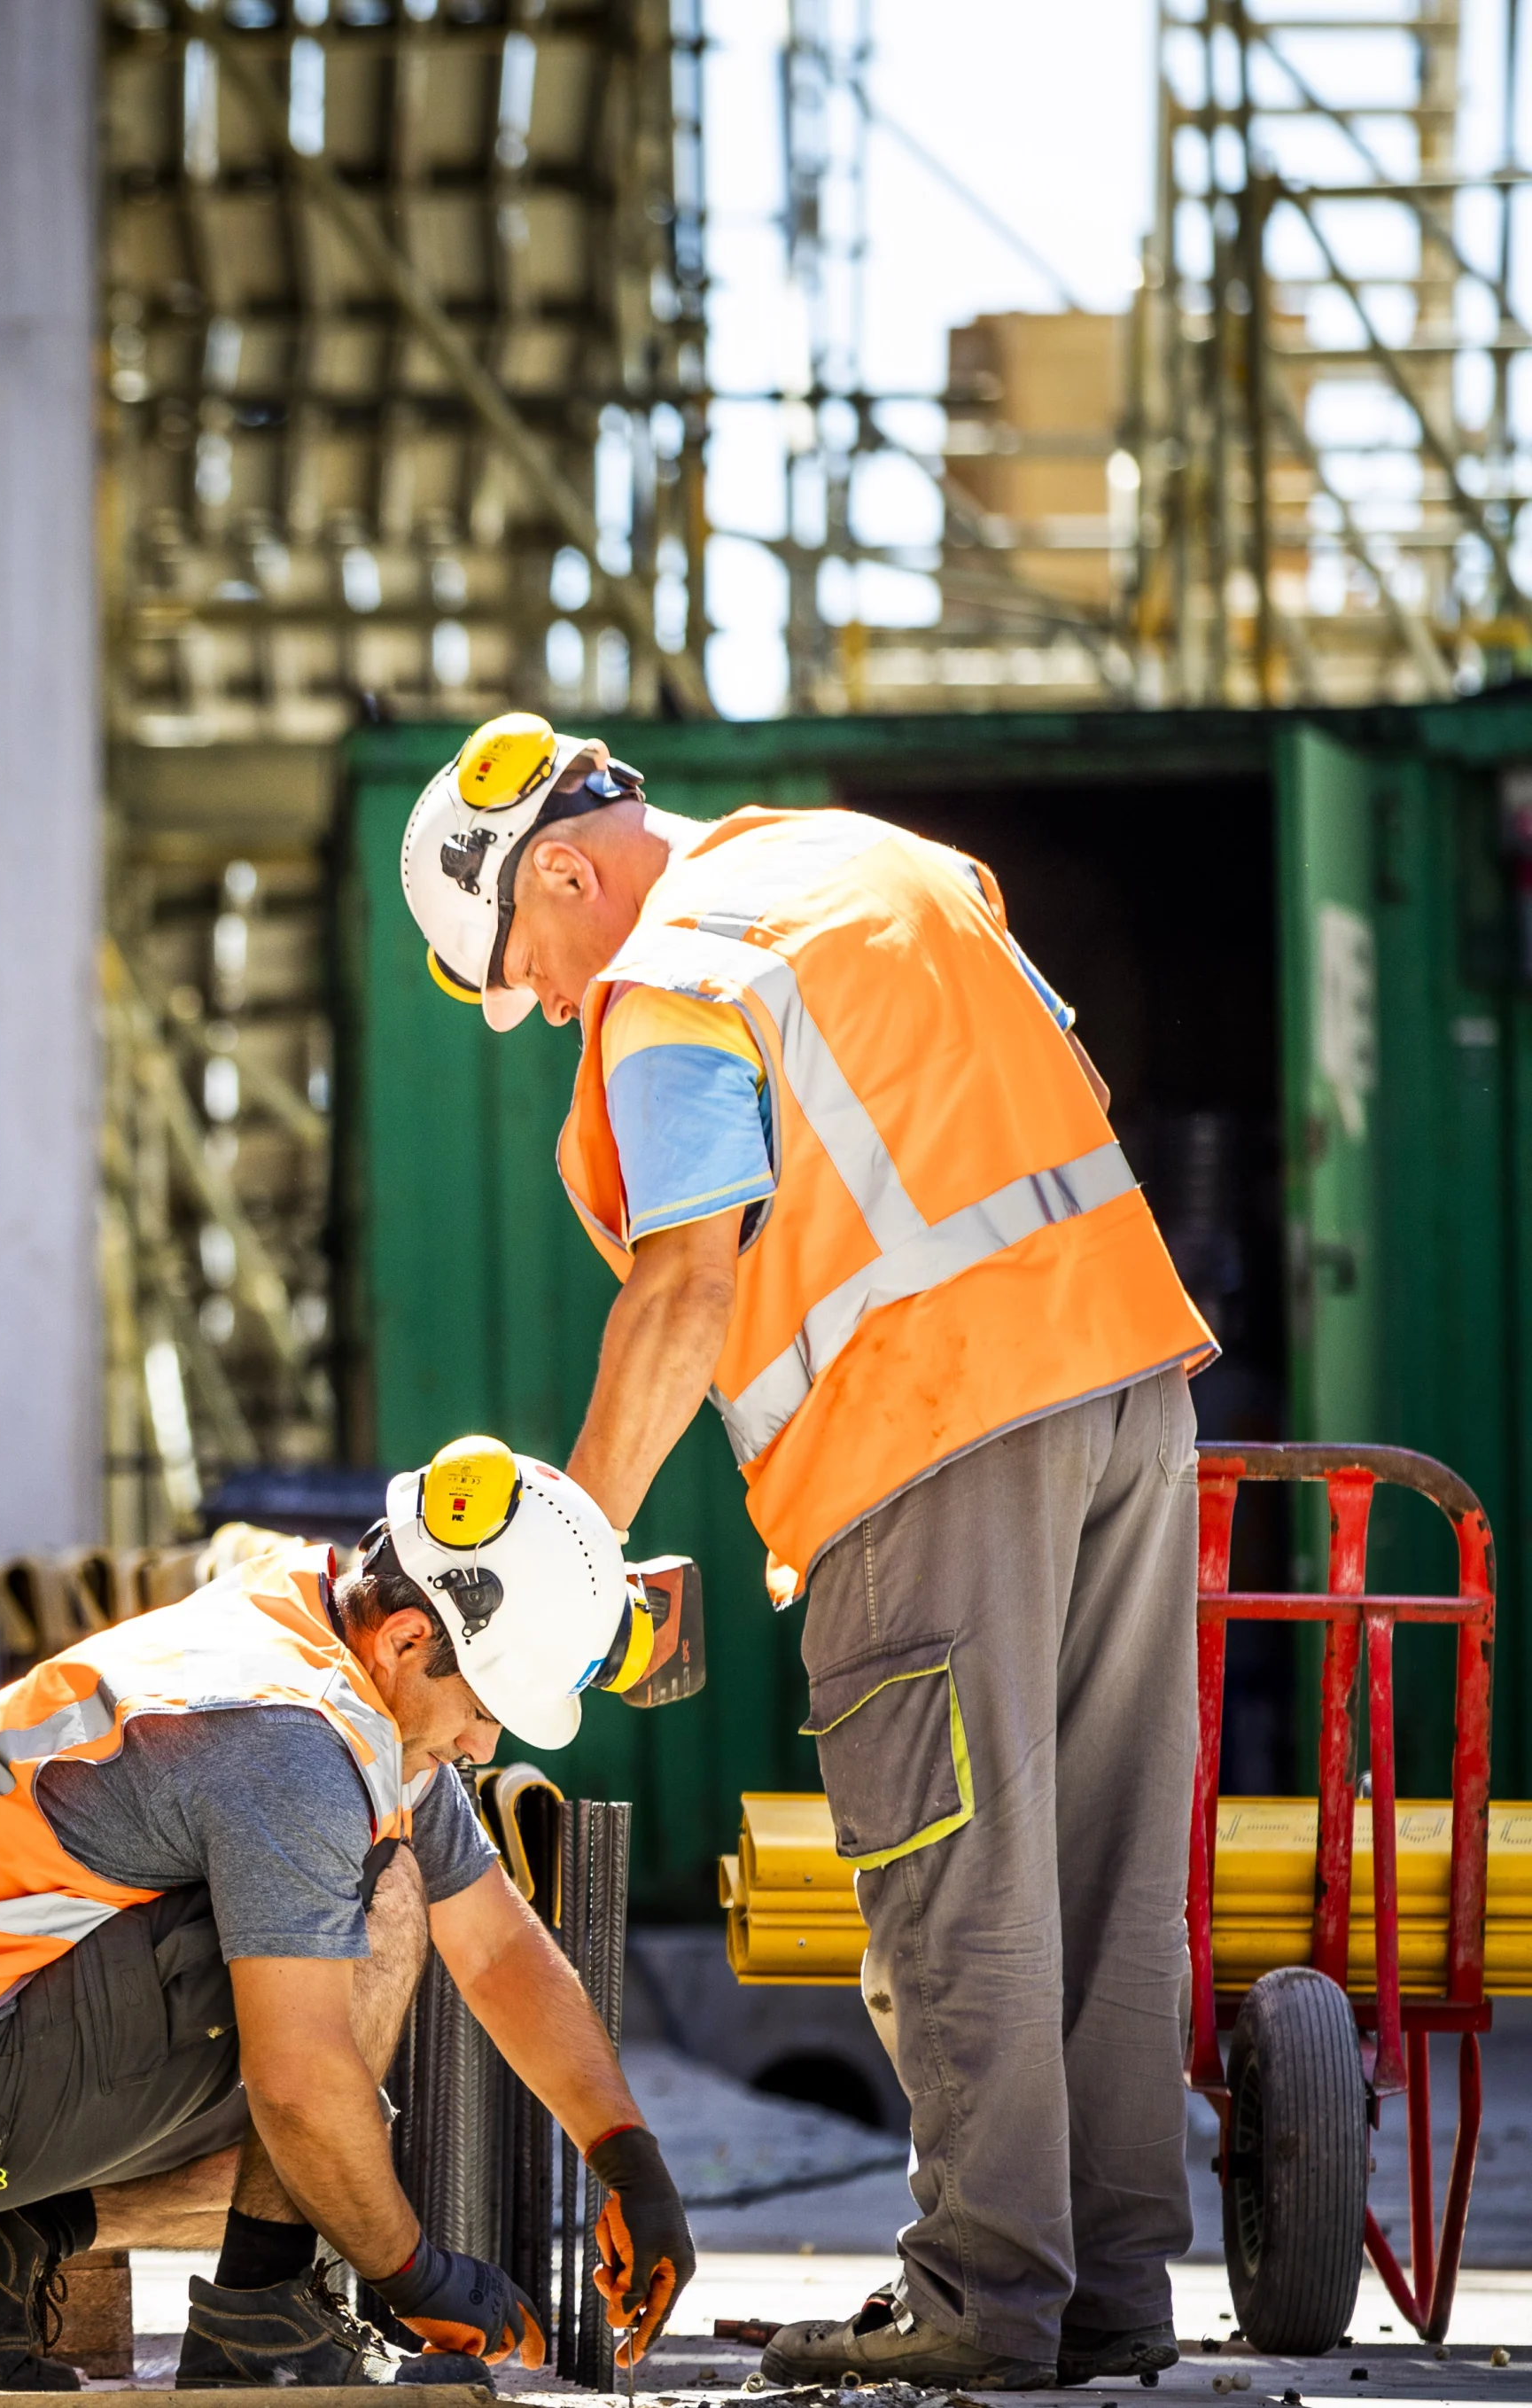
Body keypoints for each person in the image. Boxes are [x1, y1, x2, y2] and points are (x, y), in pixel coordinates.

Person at [396, 713, 1217, 2390]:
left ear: (561, 870)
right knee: (1110, 1867)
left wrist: (564, 1556)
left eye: (525, 969)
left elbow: (687, 1285)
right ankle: (1112, 2290)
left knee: (953, 1875)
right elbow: (1075, 1096)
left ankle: (988, 2295)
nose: (547, 1002)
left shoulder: (673, 971)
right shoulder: (880, 865)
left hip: (927, 1440)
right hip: (1131, 1388)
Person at [0, 1439, 698, 2390]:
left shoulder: (316, 1611)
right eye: (479, 1703)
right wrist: (413, 2271)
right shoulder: (289, 1740)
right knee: (371, 1935)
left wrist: (628, 2158)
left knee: (348, 2144)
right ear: (407, 1638)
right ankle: (261, 2326)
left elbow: (499, 1945)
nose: (481, 1739)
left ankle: (2, 2248)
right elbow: (296, 2086)